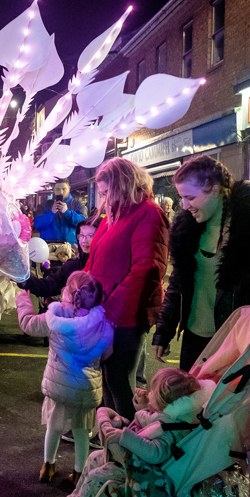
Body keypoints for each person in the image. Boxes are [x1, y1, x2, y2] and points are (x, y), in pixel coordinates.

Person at [46, 367, 208, 497]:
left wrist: (124, 437)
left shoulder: (171, 427)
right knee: (95, 458)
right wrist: (140, 409)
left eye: (153, 393)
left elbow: (156, 453)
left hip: (143, 475)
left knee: (98, 476)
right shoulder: (166, 417)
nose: (149, 394)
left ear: (165, 403)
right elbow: (146, 427)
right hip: (131, 463)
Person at [153, 155, 250, 372]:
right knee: (190, 404)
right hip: (194, 337)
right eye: (182, 199)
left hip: (234, 342)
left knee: (221, 405)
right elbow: (178, 284)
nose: (185, 206)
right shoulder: (187, 228)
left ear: (214, 190)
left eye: (191, 198)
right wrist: (164, 331)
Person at [84, 157, 169, 419]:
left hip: (125, 317)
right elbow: (95, 262)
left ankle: (129, 447)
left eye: (105, 192)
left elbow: (147, 269)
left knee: (120, 383)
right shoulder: (113, 217)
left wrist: (111, 311)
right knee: (110, 380)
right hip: (107, 314)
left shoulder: (149, 214)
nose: (103, 199)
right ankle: (113, 438)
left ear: (122, 186)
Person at [15, 272, 114, 486]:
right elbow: (106, 353)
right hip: (86, 388)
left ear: (67, 293)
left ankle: (47, 466)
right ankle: (79, 473)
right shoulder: (103, 323)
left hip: (59, 385)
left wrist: (23, 298)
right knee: (81, 432)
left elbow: (27, 324)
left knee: (54, 426)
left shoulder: (56, 316)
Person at [33, 179, 87, 245]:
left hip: (71, 245)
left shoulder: (77, 204)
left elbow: (84, 223)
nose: (61, 192)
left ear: (69, 188)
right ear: (54, 189)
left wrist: (67, 213)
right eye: (58, 189)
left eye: (64, 189)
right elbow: (37, 224)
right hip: (49, 245)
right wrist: (51, 213)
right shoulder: (44, 205)